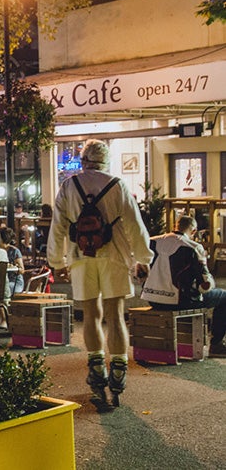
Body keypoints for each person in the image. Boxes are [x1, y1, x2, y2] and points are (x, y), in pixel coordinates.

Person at [47, 139, 153, 411]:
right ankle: (118, 372)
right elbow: (134, 223)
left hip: (81, 258)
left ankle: (96, 370)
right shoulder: (117, 185)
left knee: (91, 314)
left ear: (83, 161)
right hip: (115, 257)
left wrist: (56, 261)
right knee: (115, 315)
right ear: (106, 161)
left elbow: (58, 225)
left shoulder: (70, 186)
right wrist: (143, 258)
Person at [141, 215, 226, 358]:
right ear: (193, 231)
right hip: (180, 302)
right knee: (223, 296)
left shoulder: (151, 242)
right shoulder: (193, 247)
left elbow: (140, 273)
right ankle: (216, 345)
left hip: (153, 299)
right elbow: (204, 285)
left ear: (175, 226)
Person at [0, 227, 25, 295]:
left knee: (3, 289)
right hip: (0, 281)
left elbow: (22, 270)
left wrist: (14, 268)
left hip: (14, 282)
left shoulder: (14, 251)